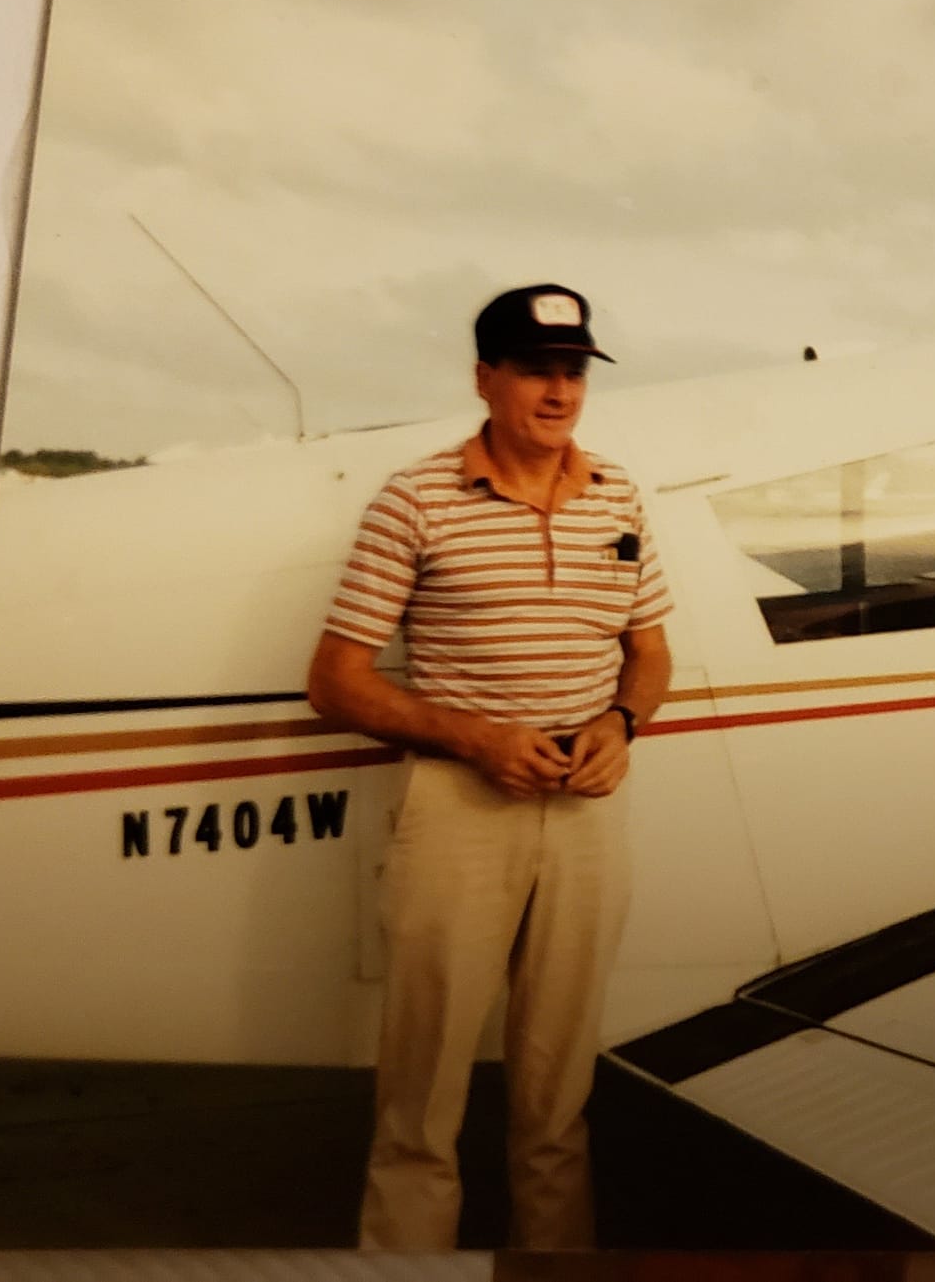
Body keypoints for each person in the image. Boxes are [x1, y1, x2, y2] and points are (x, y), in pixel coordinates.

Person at [307, 283, 673, 1250]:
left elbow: (651, 651)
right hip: (460, 811)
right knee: (421, 1105)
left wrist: (623, 722)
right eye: (535, 370)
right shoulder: (418, 497)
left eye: (573, 371)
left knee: (559, 1098)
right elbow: (335, 682)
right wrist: (477, 737)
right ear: (485, 377)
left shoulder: (620, 494)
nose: (559, 391)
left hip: (586, 813)